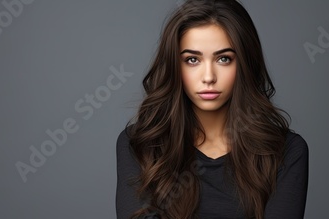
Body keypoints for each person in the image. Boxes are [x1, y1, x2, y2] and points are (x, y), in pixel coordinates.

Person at [116, 0, 308, 218]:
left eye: (224, 59)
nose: (209, 77)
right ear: (174, 66)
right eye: (192, 60)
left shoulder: (286, 151)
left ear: (245, 64)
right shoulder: (140, 145)